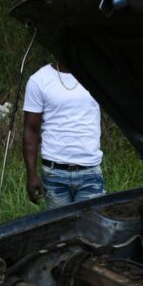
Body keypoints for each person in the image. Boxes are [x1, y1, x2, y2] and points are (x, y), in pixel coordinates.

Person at [22, 61, 105, 209]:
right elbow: (31, 130)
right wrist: (31, 174)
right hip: (54, 173)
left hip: (90, 170)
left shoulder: (96, 76)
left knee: (91, 228)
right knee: (60, 229)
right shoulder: (39, 80)